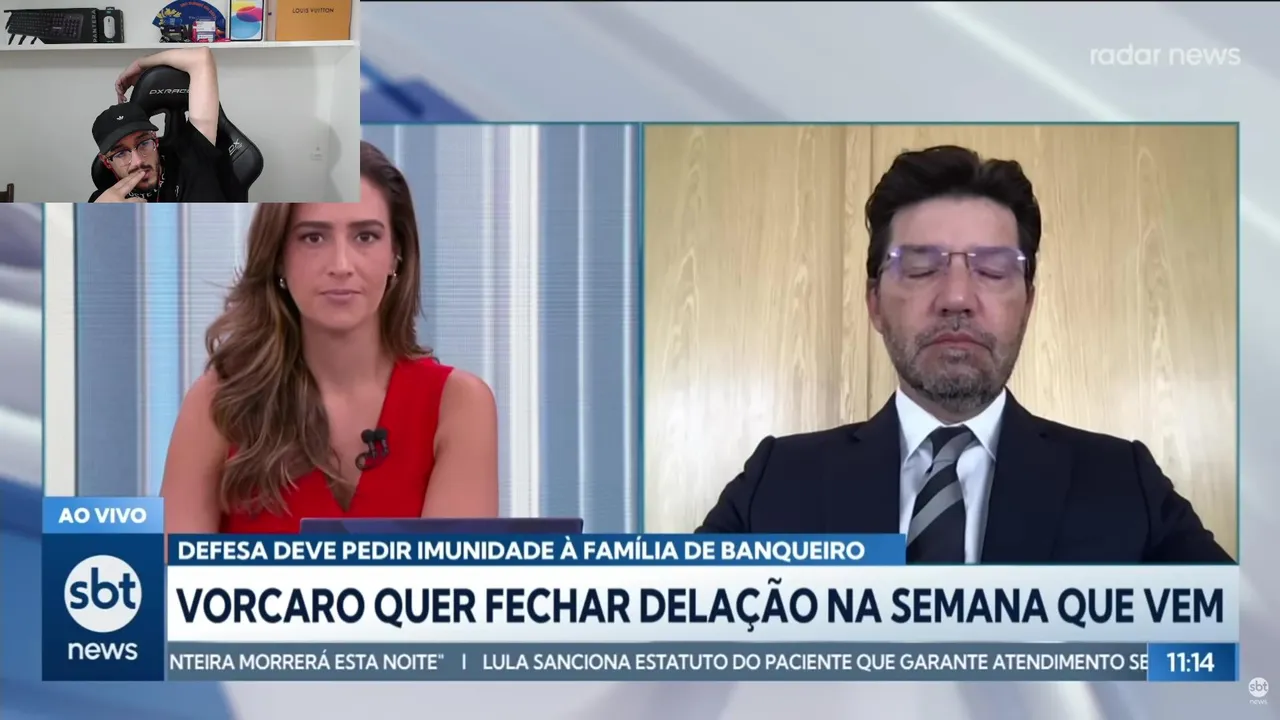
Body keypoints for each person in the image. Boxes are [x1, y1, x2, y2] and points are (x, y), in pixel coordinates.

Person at [697, 145, 1232, 564]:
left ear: (1028, 304)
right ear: (874, 303)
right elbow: (670, 638)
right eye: (921, 267)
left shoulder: (1123, 484)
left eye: (994, 270)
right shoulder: (779, 479)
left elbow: (1239, 642)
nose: (957, 297)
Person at [160, 141, 499, 533]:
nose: (341, 265)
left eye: (365, 237)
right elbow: (168, 570)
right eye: (313, 238)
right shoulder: (219, 403)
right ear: (279, 257)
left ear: (396, 255)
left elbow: (451, 572)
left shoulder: (457, 406)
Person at [89, 47, 229, 203]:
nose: (138, 162)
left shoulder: (191, 160)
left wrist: (140, 63)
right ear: (106, 162)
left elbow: (201, 58)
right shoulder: (103, 201)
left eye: (144, 144)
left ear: (155, 139)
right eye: (121, 154)